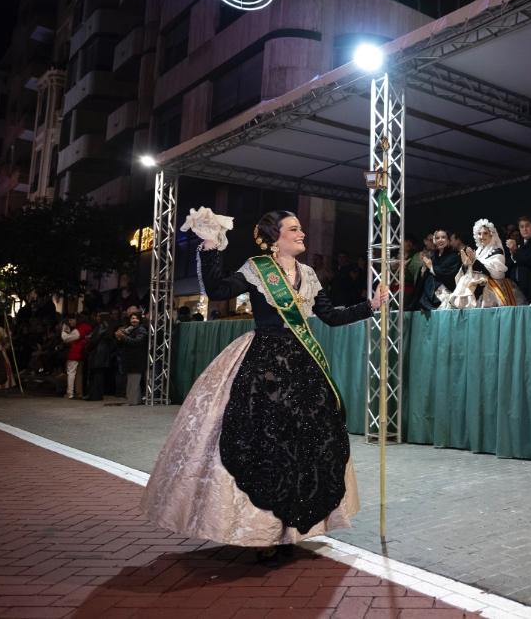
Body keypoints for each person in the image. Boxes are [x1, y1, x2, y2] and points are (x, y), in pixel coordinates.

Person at [142, 209, 388, 564]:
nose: (302, 234)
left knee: (307, 444)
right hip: (264, 367)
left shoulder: (308, 274)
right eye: (294, 229)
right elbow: (218, 289)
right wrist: (210, 245)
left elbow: (331, 317)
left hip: (302, 366)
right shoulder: (258, 269)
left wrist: (371, 305)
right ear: (275, 237)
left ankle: (293, 528)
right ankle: (265, 532)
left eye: (301, 228)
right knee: (266, 444)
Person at [443, 219, 523, 308]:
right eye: (479, 233)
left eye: (485, 233)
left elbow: (496, 274)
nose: (481, 236)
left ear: (491, 234)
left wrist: (475, 262)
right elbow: (470, 272)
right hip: (477, 290)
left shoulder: (497, 251)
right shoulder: (478, 251)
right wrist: (466, 265)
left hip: (492, 290)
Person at [410, 229, 461, 312]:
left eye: (443, 237)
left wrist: (431, 267)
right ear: (435, 241)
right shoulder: (433, 257)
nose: (440, 240)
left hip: (446, 293)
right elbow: (424, 276)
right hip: (430, 295)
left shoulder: (454, 256)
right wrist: (423, 269)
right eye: (437, 238)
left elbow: (449, 275)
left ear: (448, 240)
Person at [506, 216, 531, 303]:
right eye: (522, 227)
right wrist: (513, 253)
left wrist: (515, 251)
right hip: (519, 289)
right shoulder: (519, 243)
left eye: (527, 226)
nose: (524, 229)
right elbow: (510, 264)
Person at [115, 313, 148, 405]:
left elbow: (136, 342)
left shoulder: (141, 330)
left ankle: (132, 401)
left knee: (134, 382)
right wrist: (119, 337)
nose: (134, 320)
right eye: (132, 318)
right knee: (131, 382)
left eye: (136, 318)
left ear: (140, 320)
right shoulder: (130, 329)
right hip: (131, 360)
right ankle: (134, 400)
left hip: (136, 360)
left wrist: (123, 337)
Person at [83, 312, 116, 401]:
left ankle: (94, 395)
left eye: (98, 316)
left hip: (97, 354)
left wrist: (88, 347)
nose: (96, 318)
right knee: (99, 376)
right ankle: (98, 395)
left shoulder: (101, 326)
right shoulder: (108, 326)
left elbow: (94, 340)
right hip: (103, 354)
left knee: (95, 376)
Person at [61, 314, 92, 399]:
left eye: (71, 320)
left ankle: (70, 393)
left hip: (75, 352)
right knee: (79, 374)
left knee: (71, 373)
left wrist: (64, 331)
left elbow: (66, 339)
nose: (70, 322)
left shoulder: (80, 329)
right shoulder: (87, 327)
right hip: (81, 353)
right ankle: (79, 393)